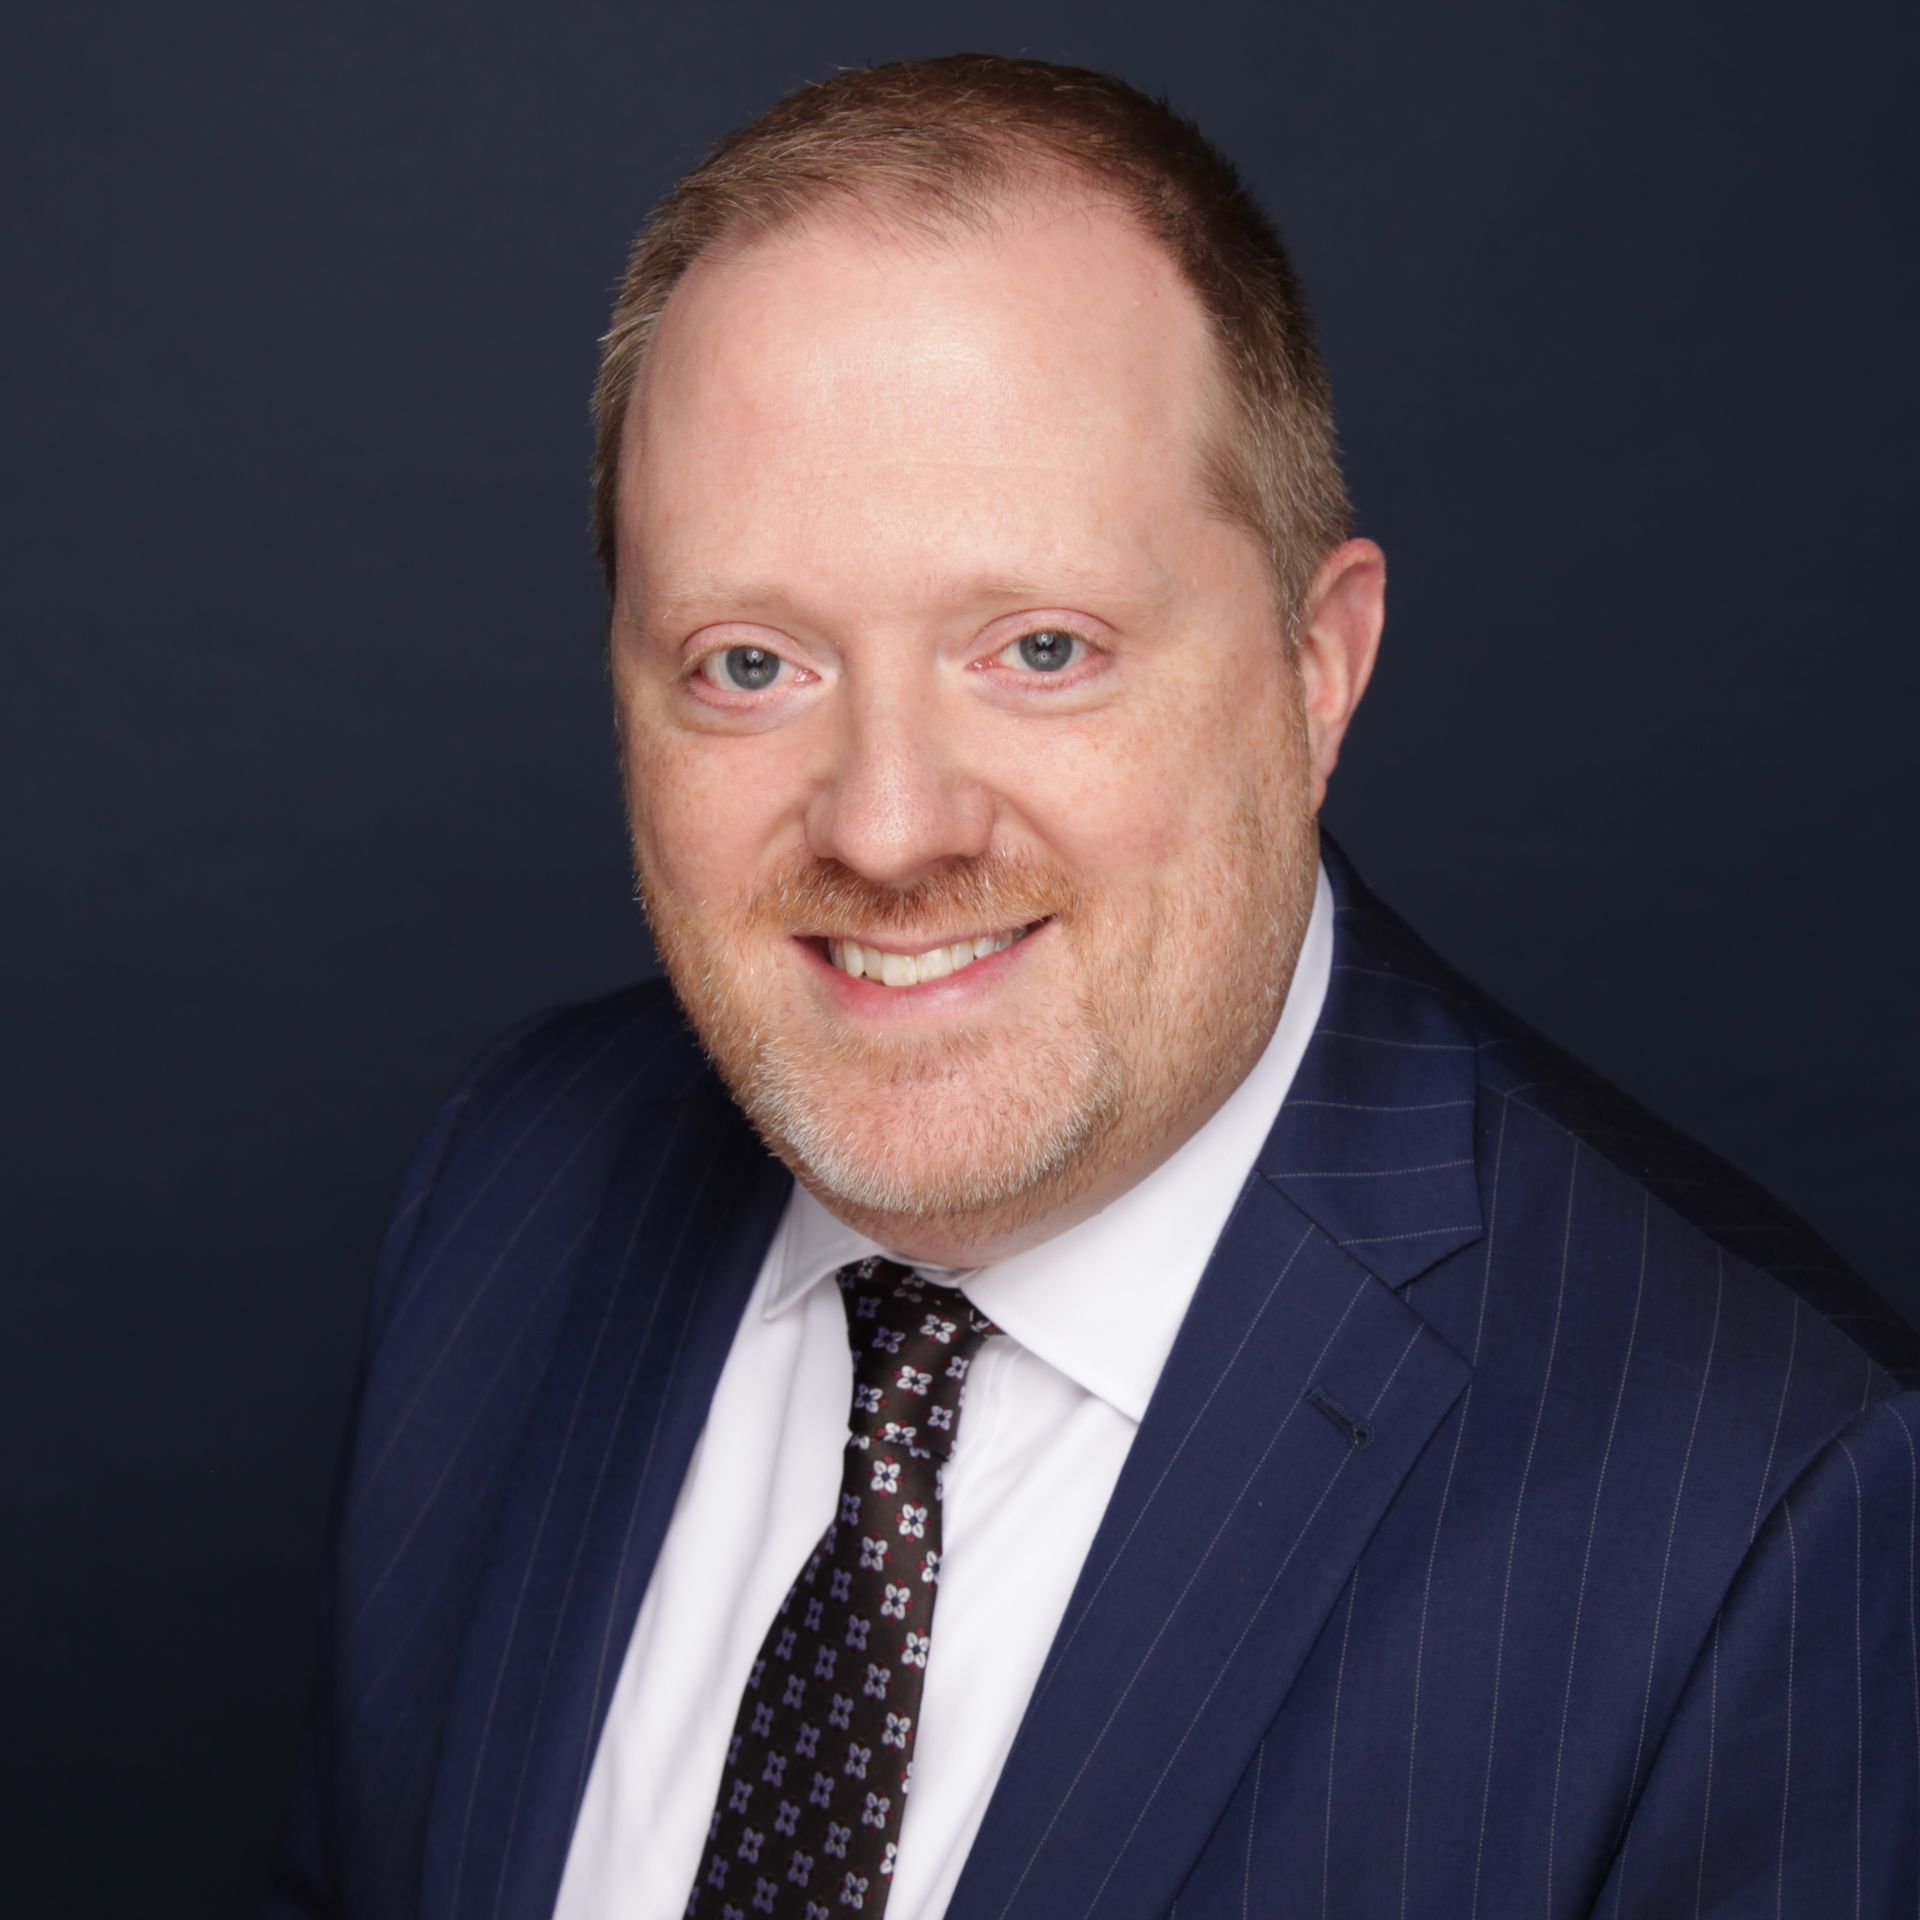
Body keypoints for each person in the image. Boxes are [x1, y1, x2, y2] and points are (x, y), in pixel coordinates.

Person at [269, 54, 1919, 1920]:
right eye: (749, 665)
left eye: (1040, 648)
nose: (888, 828)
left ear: (1318, 669)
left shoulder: (1774, 1509)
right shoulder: (515, 1185)